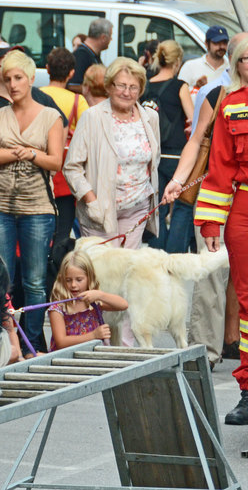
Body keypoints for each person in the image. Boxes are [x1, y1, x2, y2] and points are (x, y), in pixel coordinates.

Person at [163, 33, 248, 369]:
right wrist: (178, 181)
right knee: (213, 276)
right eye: (242, 56)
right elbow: (198, 141)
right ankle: (205, 355)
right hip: (223, 197)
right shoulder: (220, 95)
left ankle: (228, 347)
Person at [64, 58, 159, 346]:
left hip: (137, 210)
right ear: (109, 86)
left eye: (133, 86)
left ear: (141, 88)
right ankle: (102, 342)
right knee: (102, 280)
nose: (127, 92)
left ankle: (127, 345)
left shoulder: (149, 118)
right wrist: (90, 199)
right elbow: (71, 166)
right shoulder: (93, 117)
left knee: (129, 278)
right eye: (121, 85)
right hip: (100, 213)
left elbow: (152, 162)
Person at [0, 49, 63, 355]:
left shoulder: (49, 116)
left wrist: (27, 153)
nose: (13, 84)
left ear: (31, 78)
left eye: (18, 78)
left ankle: (30, 345)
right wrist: (26, 152)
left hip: (38, 207)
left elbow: (55, 161)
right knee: (2, 280)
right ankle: (5, 343)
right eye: (7, 79)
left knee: (34, 281)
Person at [194, 35, 248, 425]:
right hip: (244, 211)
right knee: (247, 305)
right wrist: (211, 221)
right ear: (236, 64)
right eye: (246, 59)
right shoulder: (230, 106)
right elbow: (220, 170)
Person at [140, 40, 193, 252]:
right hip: (177, 156)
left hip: (152, 155)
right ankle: (174, 255)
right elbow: (191, 120)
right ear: (178, 61)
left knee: (157, 208)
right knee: (181, 206)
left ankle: (157, 255)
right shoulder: (180, 86)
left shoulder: (145, 86)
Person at [40, 47, 89, 241]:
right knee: (62, 229)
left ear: (47, 69)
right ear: (71, 73)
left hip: (40, 168)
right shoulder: (78, 100)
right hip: (65, 174)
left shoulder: (36, 95)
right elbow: (87, 133)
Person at [48, 250, 127, 350]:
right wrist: (93, 335)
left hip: (91, 357)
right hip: (66, 359)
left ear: (89, 278)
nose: (73, 285)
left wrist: (100, 295)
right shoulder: (58, 308)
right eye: (68, 280)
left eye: (79, 280)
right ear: (62, 279)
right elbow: (61, 342)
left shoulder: (93, 302)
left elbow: (123, 305)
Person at [179, 25, 229, 101]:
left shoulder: (232, 68)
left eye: (224, 43)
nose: (221, 46)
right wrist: (197, 88)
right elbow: (179, 94)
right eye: (216, 43)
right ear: (206, 44)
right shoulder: (190, 66)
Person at [67, 18, 113, 93]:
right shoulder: (81, 56)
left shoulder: (93, 55)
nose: (111, 39)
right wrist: (99, 91)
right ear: (103, 37)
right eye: (110, 36)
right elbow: (72, 85)